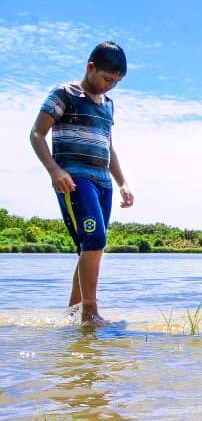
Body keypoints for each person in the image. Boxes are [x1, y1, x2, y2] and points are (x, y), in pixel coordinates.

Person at [29, 42, 134, 326]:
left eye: (116, 82)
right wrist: (54, 171)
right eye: (106, 78)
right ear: (90, 67)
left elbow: (108, 148)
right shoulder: (64, 94)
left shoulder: (108, 105)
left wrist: (122, 182)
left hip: (103, 183)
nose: (110, 86)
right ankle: (90, 312)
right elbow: (37, 135)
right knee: (95, 239)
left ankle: (74, 312)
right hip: (74, 180)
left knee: (91, 246)